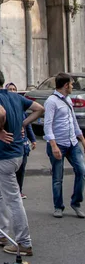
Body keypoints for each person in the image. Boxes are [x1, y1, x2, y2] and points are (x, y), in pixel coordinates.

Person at [0, 67, 44, 257]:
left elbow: (0, 113)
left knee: (14, 200)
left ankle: (24, 243)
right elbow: (40, 109)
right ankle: (1, 233)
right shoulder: (16, 97)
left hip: (4, 157)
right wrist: (23, 123)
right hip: (17, 155)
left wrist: (0, 130)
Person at [43, 72, 85, 219]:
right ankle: (58, 206)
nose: (73, 86)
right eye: (71, 84)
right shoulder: (51, 101)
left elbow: (73, 120)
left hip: (72, 143)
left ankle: (76, 203)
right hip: (58, 144)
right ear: (66, 85)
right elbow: (47, 126)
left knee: (82, 171)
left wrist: (82, 138)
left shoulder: (68, 99)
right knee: (57, 178)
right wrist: (53, 146)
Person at [5, 82, 36, 199]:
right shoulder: (4, 107)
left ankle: (19, 191)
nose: (12, 91)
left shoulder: (21, 108)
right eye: (10, 89)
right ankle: (7, 191)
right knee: (9, 170)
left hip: (22, 144)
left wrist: (33, 139)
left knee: (21, 169)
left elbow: (27, 125)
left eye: (14, 89)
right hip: (10, 144)